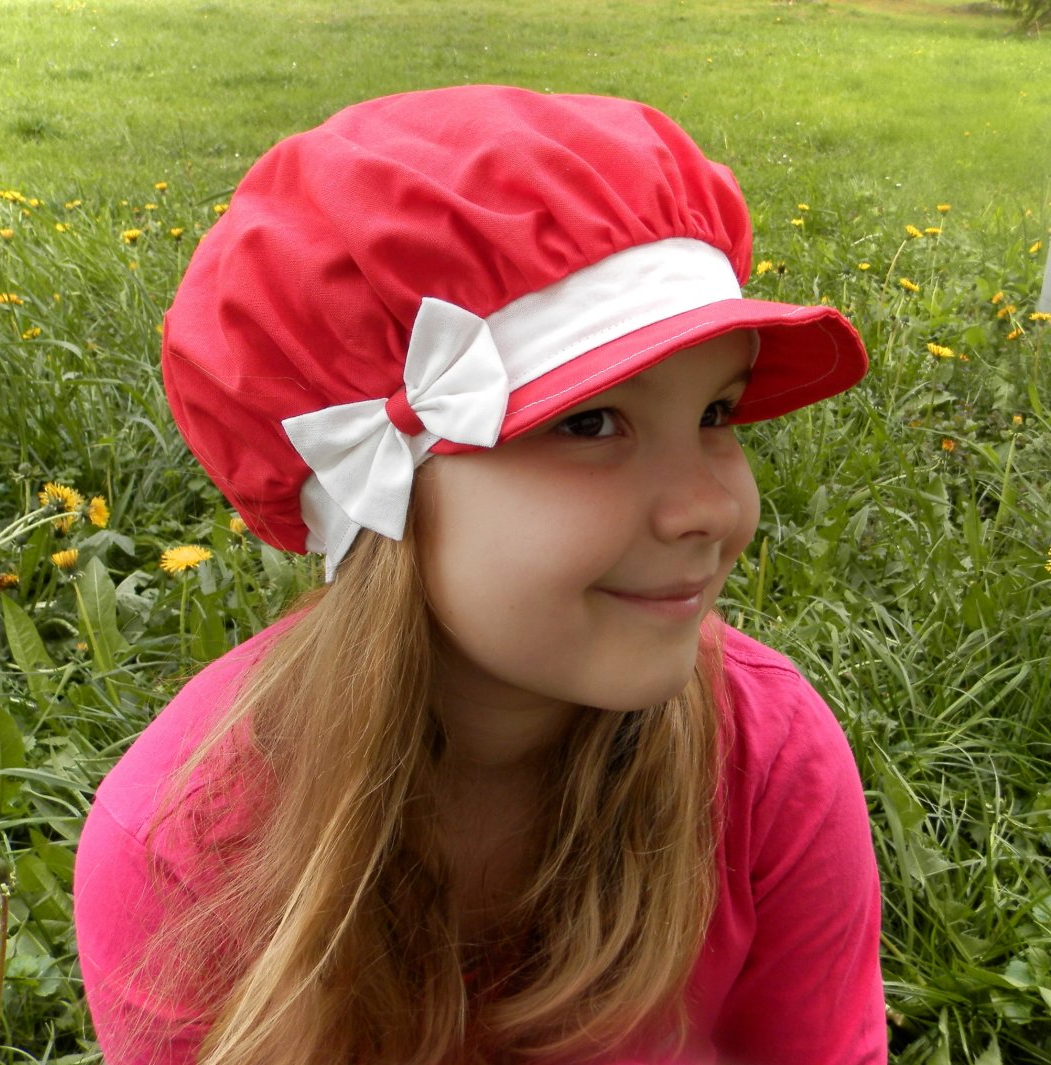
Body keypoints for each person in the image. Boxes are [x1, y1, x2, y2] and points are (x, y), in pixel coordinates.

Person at [74, 85, 886, 1065]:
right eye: (591, 424)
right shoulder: (186, 848)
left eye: (717, 414)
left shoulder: (766, 759)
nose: (712, 507)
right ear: (380, 491)